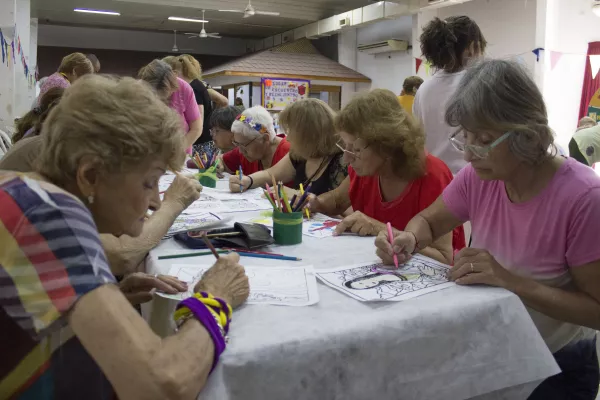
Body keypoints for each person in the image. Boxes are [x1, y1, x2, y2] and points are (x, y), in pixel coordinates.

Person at [0, 75, 250, 399]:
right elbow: (163, 384)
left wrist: (108, 295)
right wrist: (216, 298)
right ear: (90, 175)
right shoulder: (48, 210)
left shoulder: (21, 191)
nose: (157, 202)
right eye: (149, 183)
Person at [375, 59, 600, 400]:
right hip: (495, 345)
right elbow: (430, 221)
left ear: (528, 134)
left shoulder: (584, 197)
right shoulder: (481, 177)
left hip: (558, 363)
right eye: (465, 138)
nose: (468, 155)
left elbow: (596, 310)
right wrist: (410, 237)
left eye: (483, 139)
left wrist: (511, 281)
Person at [309, 89, 465, 265]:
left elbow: (444, 258)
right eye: (345, 146)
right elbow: (336, 201)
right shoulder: (368, 168)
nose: (346, 158)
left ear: (387, 145)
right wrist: (314, 202)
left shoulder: (432, 175)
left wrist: (378, 228)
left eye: (356, 149)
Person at [229, 99, 347, 197]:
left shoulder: (343, 160)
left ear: (310, 134)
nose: (288, 138)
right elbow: (271, 175)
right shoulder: (301, 154)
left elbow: (345, 209)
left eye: (291, 131)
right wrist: (248, 181)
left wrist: (301, 196)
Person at [413, 16, 487, 174]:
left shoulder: (423, 89)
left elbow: (417, 139)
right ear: (473, 47)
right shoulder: (478, 83)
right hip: (469, 178)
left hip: (434, 177)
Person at [139, 59, 201, 153]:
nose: (162, 101)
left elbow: (196, 128)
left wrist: (177, 150)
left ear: (173, 85)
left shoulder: (184, 88)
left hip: (179, 153)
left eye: (166, 95)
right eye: (156, 96)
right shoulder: (138, 91)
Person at [219, 106, 291, 179]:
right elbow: (220, 159)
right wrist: (219, 165)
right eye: (237, 143)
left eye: (243, 145)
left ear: (265, 138)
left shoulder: (291, 153)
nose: (240, 151)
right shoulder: (246, 151)